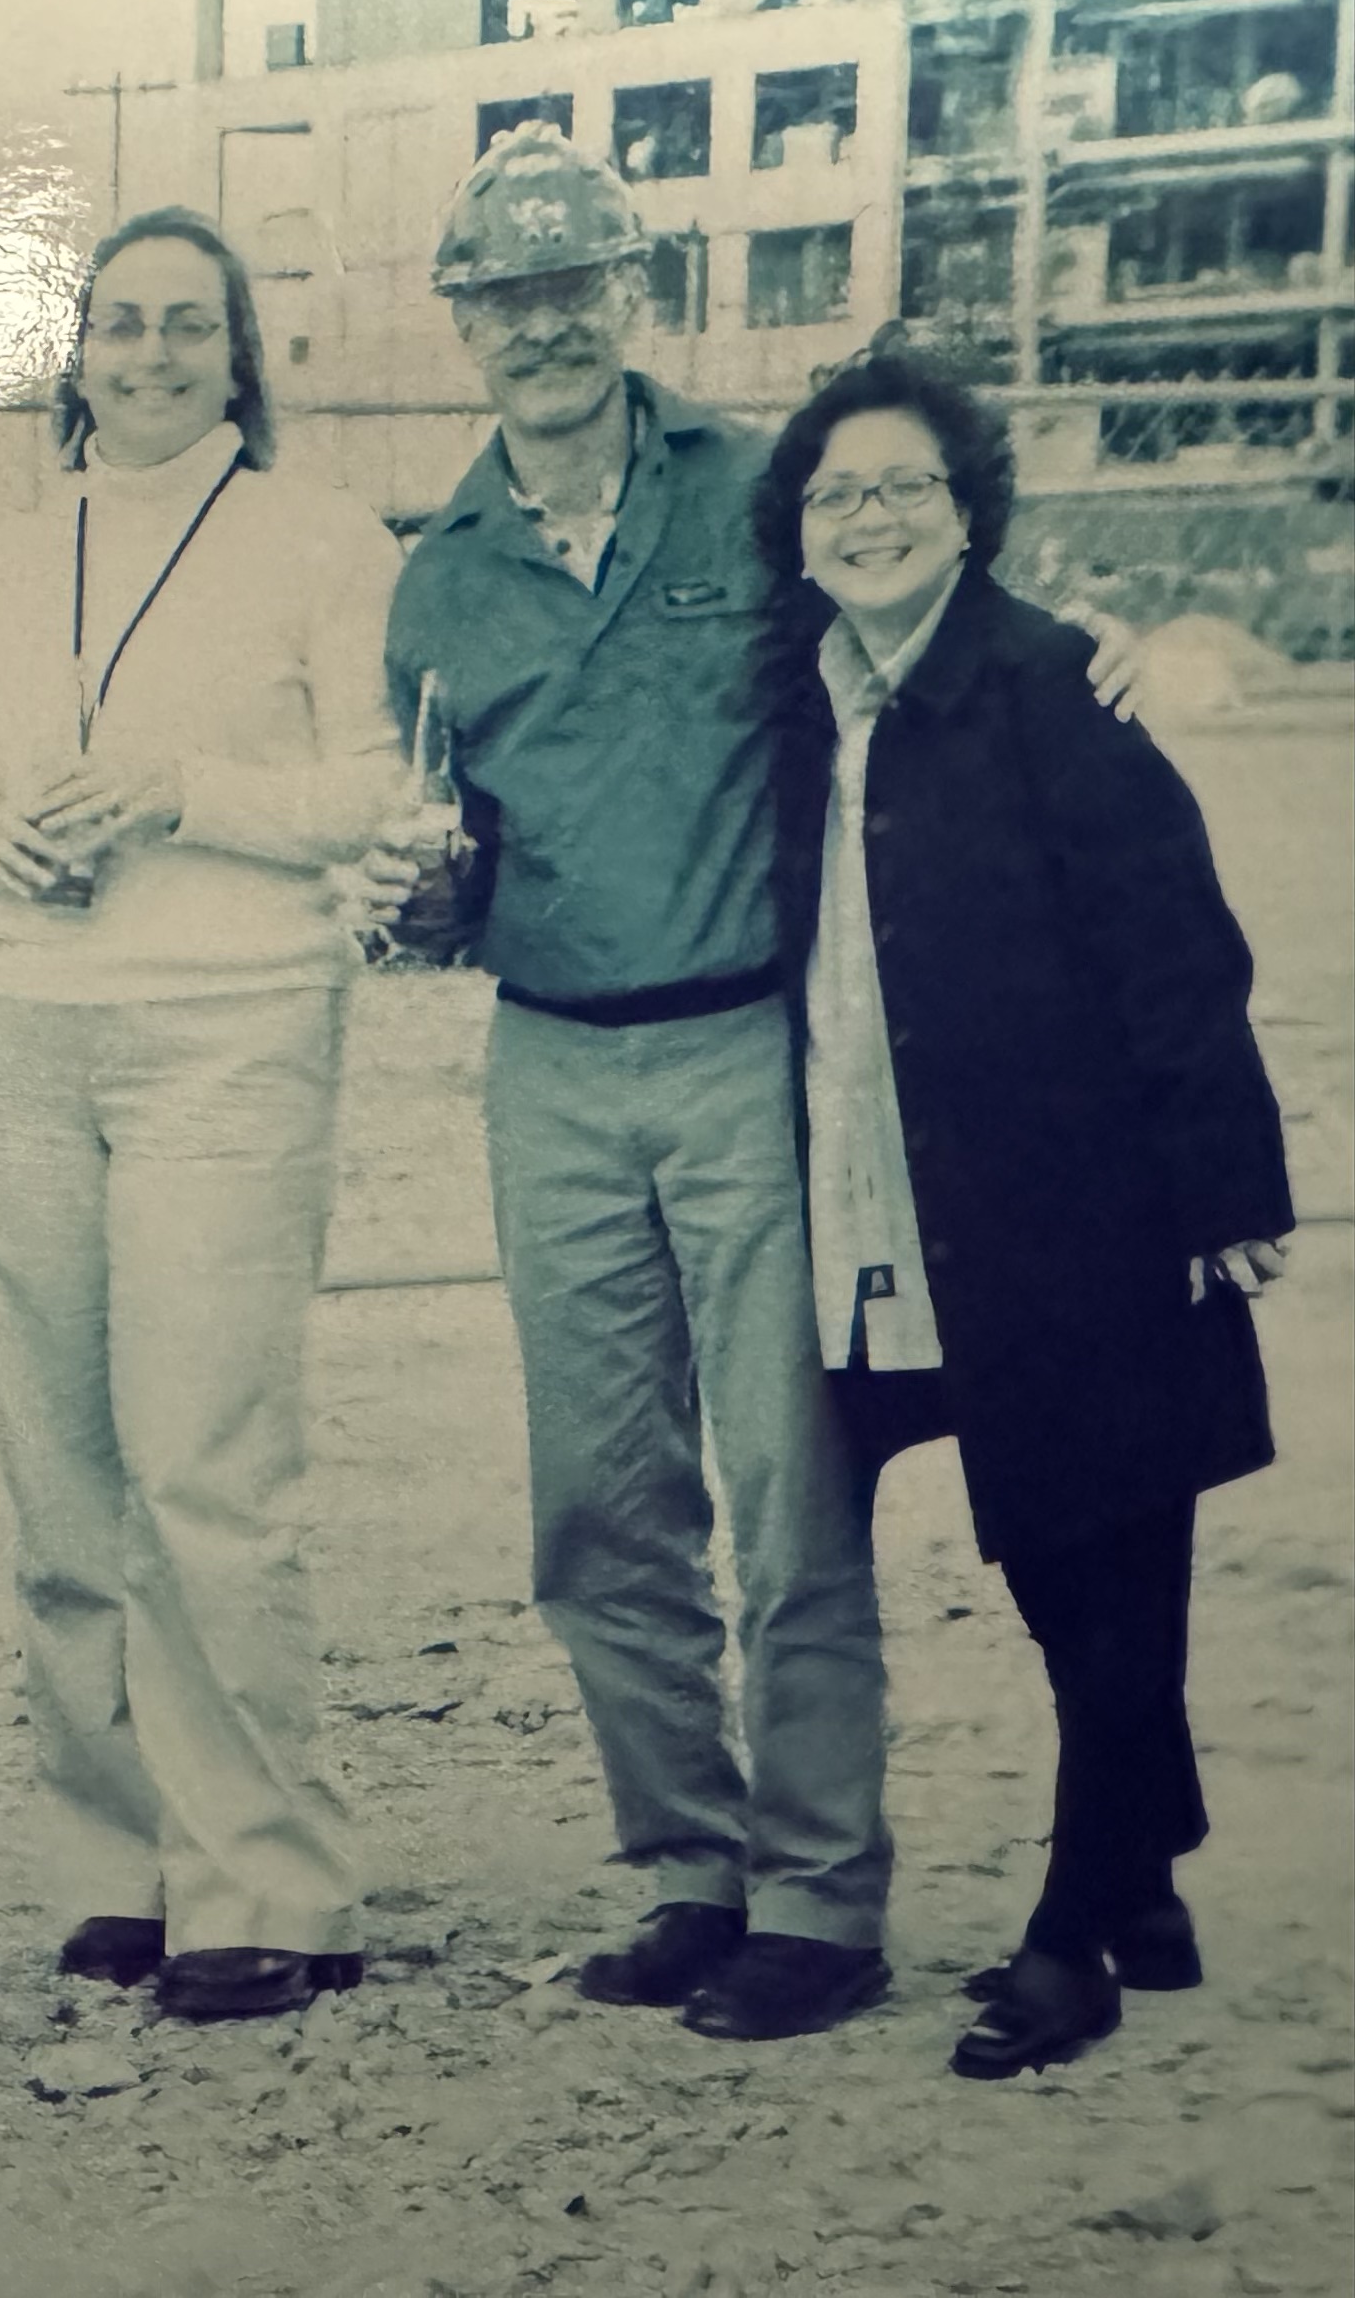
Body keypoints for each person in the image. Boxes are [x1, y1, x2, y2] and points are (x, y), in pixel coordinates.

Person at [358, 122, 901, 2043]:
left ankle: (827, 1898)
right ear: (461, 323)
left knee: (789, 1475)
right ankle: (691, 1865)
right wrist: (419, 900)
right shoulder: (440, 584)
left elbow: (913, 655)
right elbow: (452, 855)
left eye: (576, 285)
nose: (543, 327)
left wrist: (1099, 668)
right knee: (603, 1503)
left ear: (631, 295)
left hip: (747, 1046)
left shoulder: (759, 494)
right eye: (504, 297)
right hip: (554, 1069)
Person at [749, 347, 1286, 2082]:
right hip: (876, 1201)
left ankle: (1078, 1934)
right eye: (838, 491)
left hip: (1074, 1201)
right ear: (801, 530)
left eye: (907, 484)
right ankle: (1144, 1868)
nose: (873, 515)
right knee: (1071, 1573)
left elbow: (1175, 941)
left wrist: (1222, 1186)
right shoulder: (790, 690)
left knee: (1099, 1547)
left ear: (969, 510)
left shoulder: (1057, 680)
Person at [0, 208, 399, 2021]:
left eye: (191, 326)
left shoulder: (323, 541)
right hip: (26, 1028)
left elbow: (378, 787)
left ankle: (270, 1881)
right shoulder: (11, 559)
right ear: (76, 352)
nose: (152, 355)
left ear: (240, 355)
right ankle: (121, 1863)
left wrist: (182, 791)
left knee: (205, 1469)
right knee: (62, 1488)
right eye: (120, 325)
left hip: (226, 1030)